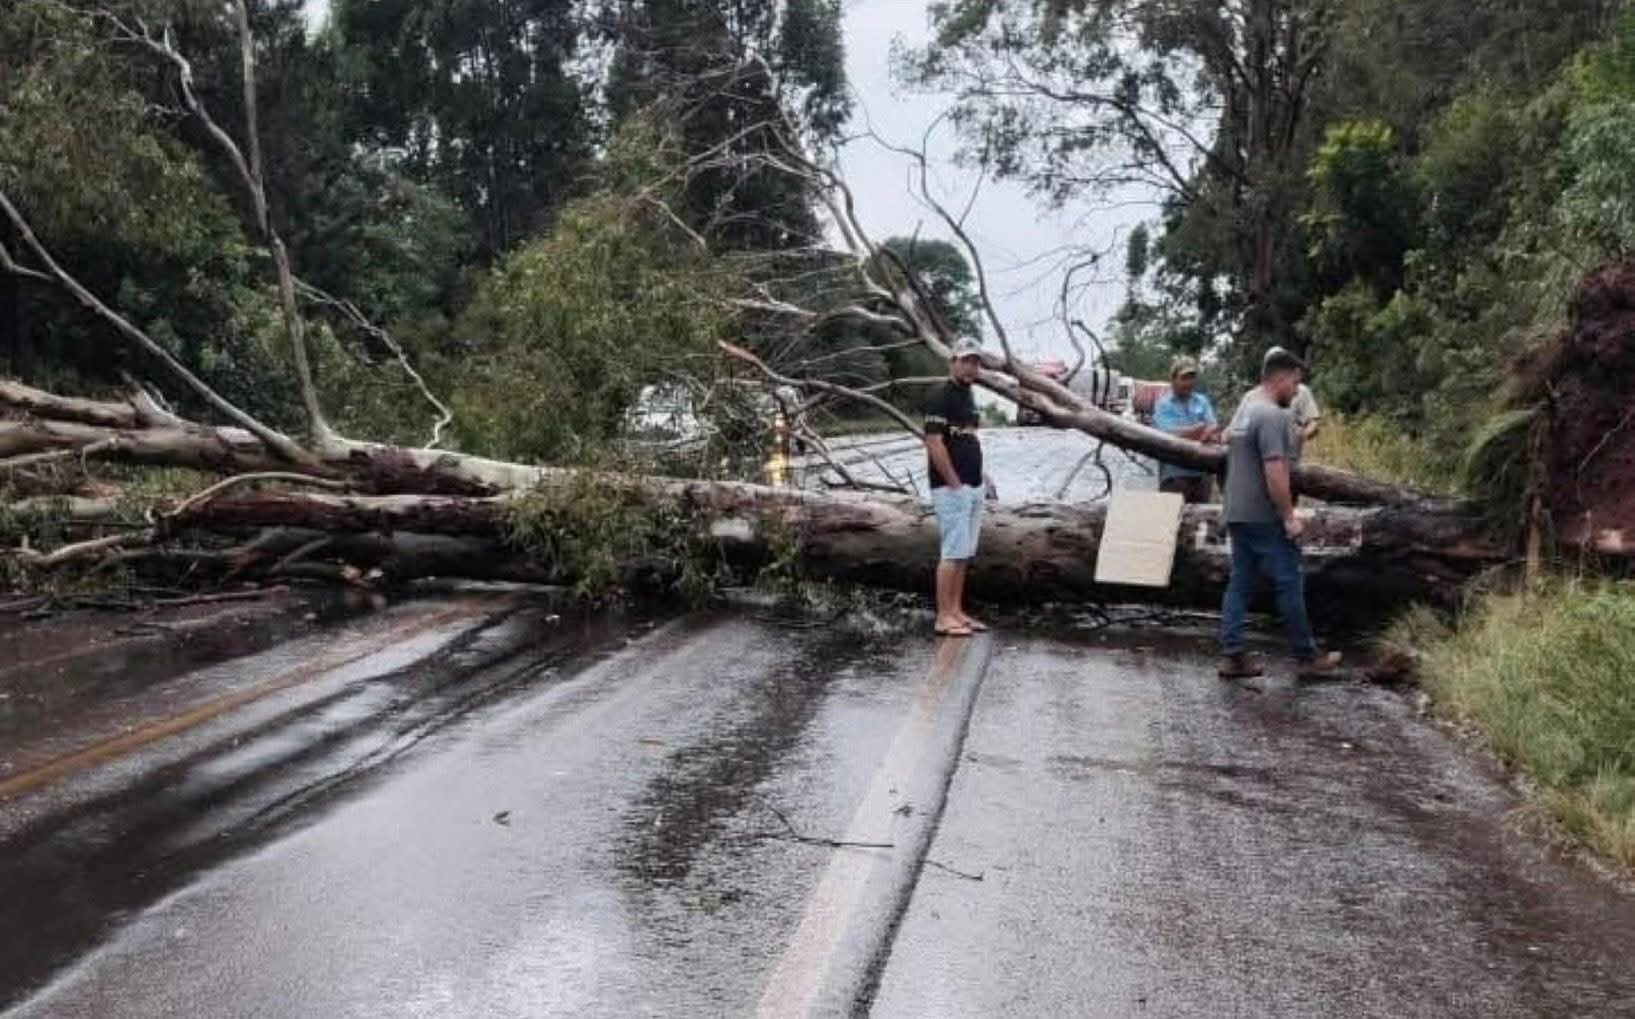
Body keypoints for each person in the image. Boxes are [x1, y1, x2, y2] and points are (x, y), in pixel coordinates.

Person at [1218, 348, 1342, 680]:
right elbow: (1275, 472)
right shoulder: (1273, 416)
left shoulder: (1245, 413)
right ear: (1280, 378)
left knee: (1240, 582)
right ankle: (1307, 656)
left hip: (1236, 509)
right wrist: (1289, 517)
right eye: (1295, 384)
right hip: (1262, 513)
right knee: (1289, 580)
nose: (1297, 391)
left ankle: (1232, 655)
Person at [924, 338, 988, 638]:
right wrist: (953, 482)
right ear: (953, 361)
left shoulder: (969, 395)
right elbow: (935, 443)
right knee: (951, 552)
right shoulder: (940, 394)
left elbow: (969, 438)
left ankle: (956, 611)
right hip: (952, 488)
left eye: (975, 361)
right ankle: (942, 616)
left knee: (964, 552)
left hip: (973, 485)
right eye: (965, 360)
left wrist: (983, 477)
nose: (970, 366)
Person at [1152, 356, 1220, 503]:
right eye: (1184, 378)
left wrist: (1201, 432)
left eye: (1191, 378)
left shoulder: (1202, 401)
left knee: (1202, 521)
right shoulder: (1163, 405)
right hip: (1174, 475)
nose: (1189, 383)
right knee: (1169, 520)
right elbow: (1167, 436)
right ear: (1173, 379)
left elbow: (1213, 427)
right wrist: (1198, 429)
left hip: (1201, 473)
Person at [1264, 347, 1323, 452]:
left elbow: (1314, 421)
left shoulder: (1301, 391)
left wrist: (1304, 434)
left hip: (1292, 456)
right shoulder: (1256, 396)